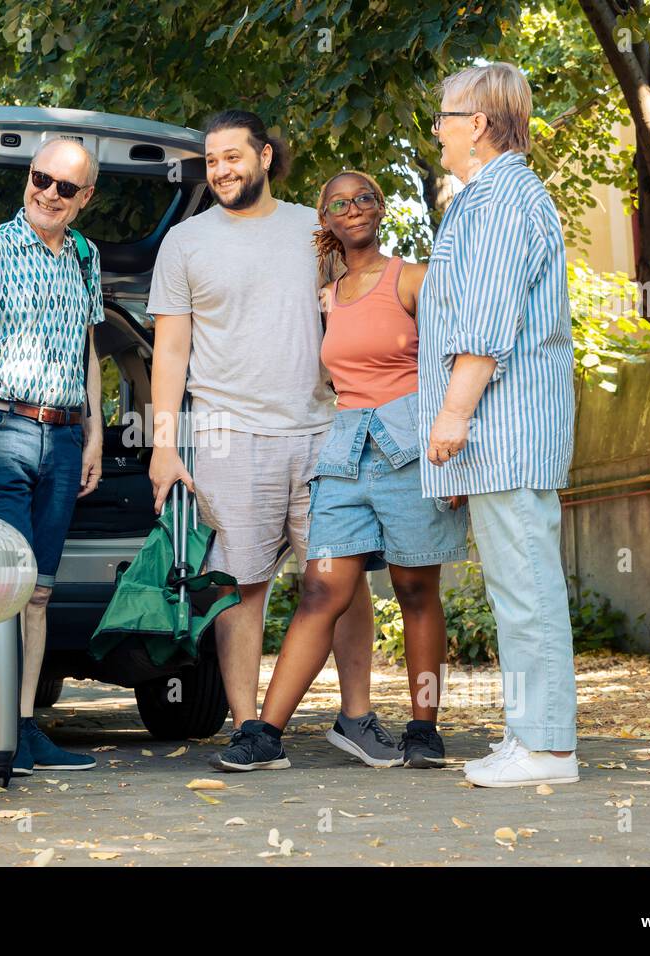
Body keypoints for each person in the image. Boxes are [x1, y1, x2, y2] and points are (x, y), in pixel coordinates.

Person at [148, 110, 397, 769]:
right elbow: (170, 350)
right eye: (212, 161)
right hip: (228, 433)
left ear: (264, 155)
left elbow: (361, 308)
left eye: (234, 156)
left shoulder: (314, 231)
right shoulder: (185, 242)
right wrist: (164, 445)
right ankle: (250, 728)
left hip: (322, 429)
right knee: (239, 586)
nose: (223, 169)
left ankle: (357, 718)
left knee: (342, 579)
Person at [209, 171, 469, 772]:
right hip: (345, 456)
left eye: (364, 199)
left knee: (414, 589)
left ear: (380, 210)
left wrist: (458, 456)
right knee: (323, 587)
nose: (352, 209)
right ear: (324, 219)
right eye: (338, 204)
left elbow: (455, 364)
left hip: (413, 451)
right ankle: (264, 735)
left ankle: (424, 728)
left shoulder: (413, 279)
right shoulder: (327, 295)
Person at [419, 62, 579, 788]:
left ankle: (547, 748)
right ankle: (530, 738)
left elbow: (485, 323)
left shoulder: (499, 199)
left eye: (445, 119)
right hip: (505, 434)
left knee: (527, 589)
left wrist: (451, 418)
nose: (438, 132)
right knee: (517, 589)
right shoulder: (494, 196)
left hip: (503, 429)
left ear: (477, 125)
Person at [0, 138, 104, 776]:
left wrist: (93, 433)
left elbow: (88, 351)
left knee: (38, 592)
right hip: (3, 426)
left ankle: (22, 727)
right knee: (7, 589)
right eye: (42, 179)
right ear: (28, 176)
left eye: (66, 188)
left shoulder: (86, 258)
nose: (49, 194)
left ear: (84, 197)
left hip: (65, 437)